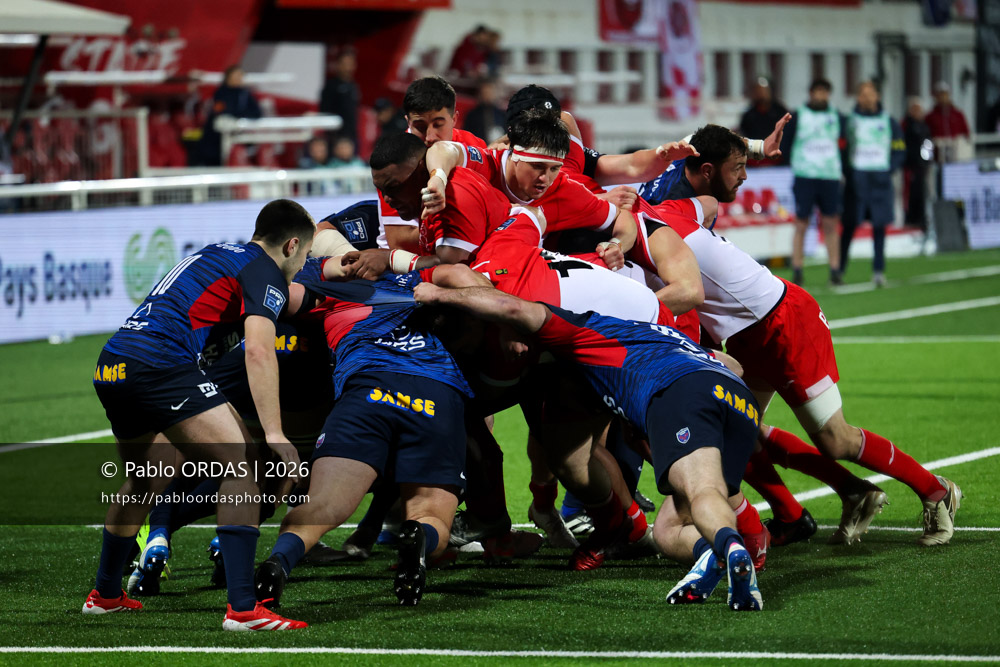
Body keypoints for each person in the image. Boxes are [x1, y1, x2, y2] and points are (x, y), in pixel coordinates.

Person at [645, 124, 962, 549]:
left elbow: (703, 206)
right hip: (745, 336)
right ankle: (844, 496)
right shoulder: (665, 203)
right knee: (738, 433)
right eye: (737, 169)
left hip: (783, 322)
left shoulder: (651, 219)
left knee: (835, 439)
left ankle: (936, 491)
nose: (744, 177)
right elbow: (705, 203)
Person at [413, 278, 764, 611]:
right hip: (738, 400)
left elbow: (512, 308)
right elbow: (734, 366)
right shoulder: (661, 332)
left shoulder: (587, 329)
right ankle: (717, 551)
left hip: (681, 392)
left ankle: (731, 545)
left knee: (702, 491)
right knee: (671, 529)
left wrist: (439, 294)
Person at [83, 199, 314, 631]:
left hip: (113, 362)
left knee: (147, 478)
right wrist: (277, 433)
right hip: (159, 363)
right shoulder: (266, 273)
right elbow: (260, 351)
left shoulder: (218, 253)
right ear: (292, 245)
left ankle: (106, 595)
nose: (302, 267)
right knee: (241, 461)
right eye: (304, 258)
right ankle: (244, 609)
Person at [255, 261, 476, 609]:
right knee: (431, 512)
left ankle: (278, 561)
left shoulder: (331, 294)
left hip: (368, 390)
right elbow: (484, 294)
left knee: (324, 505)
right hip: (437, 393)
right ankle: (420, 536)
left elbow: (263, 295)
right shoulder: (420, 288)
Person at [374, 76, 489, 253]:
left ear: (454, 119)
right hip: (408, 261)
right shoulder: (394, 161)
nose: (430, 137)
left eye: (438, 125)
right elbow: (399, 240)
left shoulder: (474, 146)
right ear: (408, 122)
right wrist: (461, 230)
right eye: (420, 127)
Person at [780, 78, 846, 286]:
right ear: (810, 93)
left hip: (829, 175)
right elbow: (787, 143)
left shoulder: (837, 117)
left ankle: (835, 270)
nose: (820, 96)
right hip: (805, 175)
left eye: (824, 92)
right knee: (801, 223)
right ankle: (798, 269)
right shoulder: (798, 116)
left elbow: (843, 143)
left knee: (830, 224)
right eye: (817, 91)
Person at [840, 81, 906, 287]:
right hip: (856, 180)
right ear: (858, 98)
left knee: (879, 226)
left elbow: (900, 149)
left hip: (880, 180)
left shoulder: (889, 122)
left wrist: (888, 170)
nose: (867, 98)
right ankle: (839, 270)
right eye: (863, 94)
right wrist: (849, 173)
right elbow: (842, 148)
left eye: (871, 94)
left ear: (877, 96)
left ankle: (878, 271)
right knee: (850, 225)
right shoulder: (850, 122)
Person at [197, 65, 262, 166]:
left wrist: (240, 117)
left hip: (238, 134)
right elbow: (222, 112)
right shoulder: (221, 93)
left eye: (241, 75)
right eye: (236, 75)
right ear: (229, 77)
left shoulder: (244, 93)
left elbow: (257, 112)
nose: (239, 78)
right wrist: (240, 115)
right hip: (216, 137)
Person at [739, 78, 789, 166]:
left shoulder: (780, 111)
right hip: (755, 159)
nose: (761, 93)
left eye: (764, 90)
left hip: (777, 159)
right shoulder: (748, 115)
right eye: (758, 91)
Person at [319, 48, 360, 152]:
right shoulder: (331, 86)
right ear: (338, 65)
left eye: (350, 64)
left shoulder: (354, 86)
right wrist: (333, 136)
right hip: (336, 137)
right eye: (345, 64)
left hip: (352, 136)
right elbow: (324, 112)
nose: (348, 68)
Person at [902, 98, 933, 229]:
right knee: (909, 192)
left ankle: (920, 217)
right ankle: (909, 218)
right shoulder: (906, 125)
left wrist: (927, 160)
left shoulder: (924, 126)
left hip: (922, 165)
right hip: (910, 165)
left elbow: (928, 144)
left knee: (921, 192)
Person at [925, 82, 970, 163]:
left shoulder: (957, 114)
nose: (943, 97)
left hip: (956, 152)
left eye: (945, 94)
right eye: (940, 95)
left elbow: (966, 132)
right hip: (938, 155)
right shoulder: (931, 116)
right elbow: (926, 135)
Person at [463, 78, 507, 145]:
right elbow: (466, 137)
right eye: (485, 92)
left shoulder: (502, 115)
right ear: (480, 94)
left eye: (491, 92)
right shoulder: (472, 115)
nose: (488, 95)